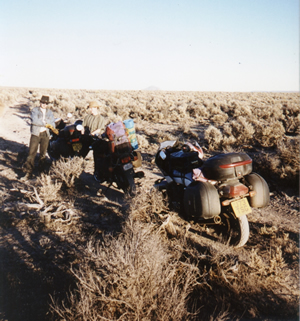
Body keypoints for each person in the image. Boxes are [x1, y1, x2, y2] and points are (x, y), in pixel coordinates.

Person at [22, 95, 55, 179]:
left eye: (46, 103)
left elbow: (52, 123)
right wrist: (45, 124)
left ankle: (41, 173)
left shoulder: (49, 112)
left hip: (45, 134)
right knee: (31, 153)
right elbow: (34, 121)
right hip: (36, 134)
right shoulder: (35, 110)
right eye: (43, 102)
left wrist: (48, 124)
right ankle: (28, 172)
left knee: (43, 154)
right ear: (40, 102)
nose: (44, 104)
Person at [82, 101, 109, 182]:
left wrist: (93, 133)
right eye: (90, 108)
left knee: (97, 156)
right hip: (87, 137)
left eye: (93, 108)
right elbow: (83, 126)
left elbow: (100, 129)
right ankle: (77, 166)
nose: (91, 110)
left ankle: (97, 173)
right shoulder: (87, 117)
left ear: (96, 108)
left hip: (96, 138)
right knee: (81, 150)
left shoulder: (100, 118)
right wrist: (83, 133)